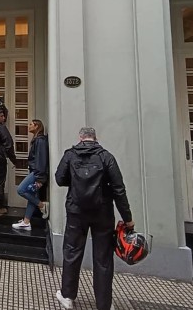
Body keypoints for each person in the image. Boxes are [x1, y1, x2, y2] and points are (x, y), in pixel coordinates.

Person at [54, 127, 134, 310]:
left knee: (72, 251)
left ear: (80, 138)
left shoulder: (70, 155)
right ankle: (104, 304)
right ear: (95, 138)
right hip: (103, 212)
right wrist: (127, 218)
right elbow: (119, 189)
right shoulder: (106, 157)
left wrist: (75, 183)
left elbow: (59, 179)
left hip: (76, 211)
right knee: (103, 258)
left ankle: (67, 296)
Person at [12, 119, 50, 230]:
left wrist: (39, 178)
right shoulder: (38, 140)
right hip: (36, 171)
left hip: (36, 172)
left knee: (21, 190)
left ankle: (42, 205)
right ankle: (26, 222)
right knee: (32, 196)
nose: (28, 126)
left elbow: (41, 160)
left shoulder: (40, 141)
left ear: (37, 126)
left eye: (31, 124)